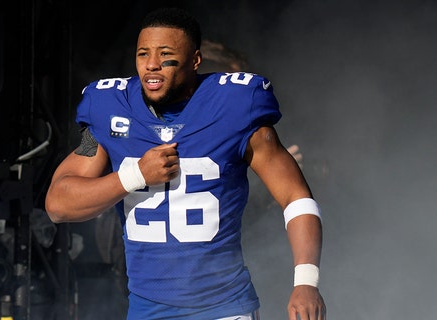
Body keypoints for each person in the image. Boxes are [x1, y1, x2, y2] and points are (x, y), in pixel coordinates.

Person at [45, 7, 325, 320]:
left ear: (195, 60)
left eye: (165, 54)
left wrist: (306, 282)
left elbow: (296, 197)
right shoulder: (111, 113)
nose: (152, 64)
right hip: (146, 310)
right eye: (143, 54)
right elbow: (58, 203)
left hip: (224, 309)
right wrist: (134, 176)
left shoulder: (235, 107)